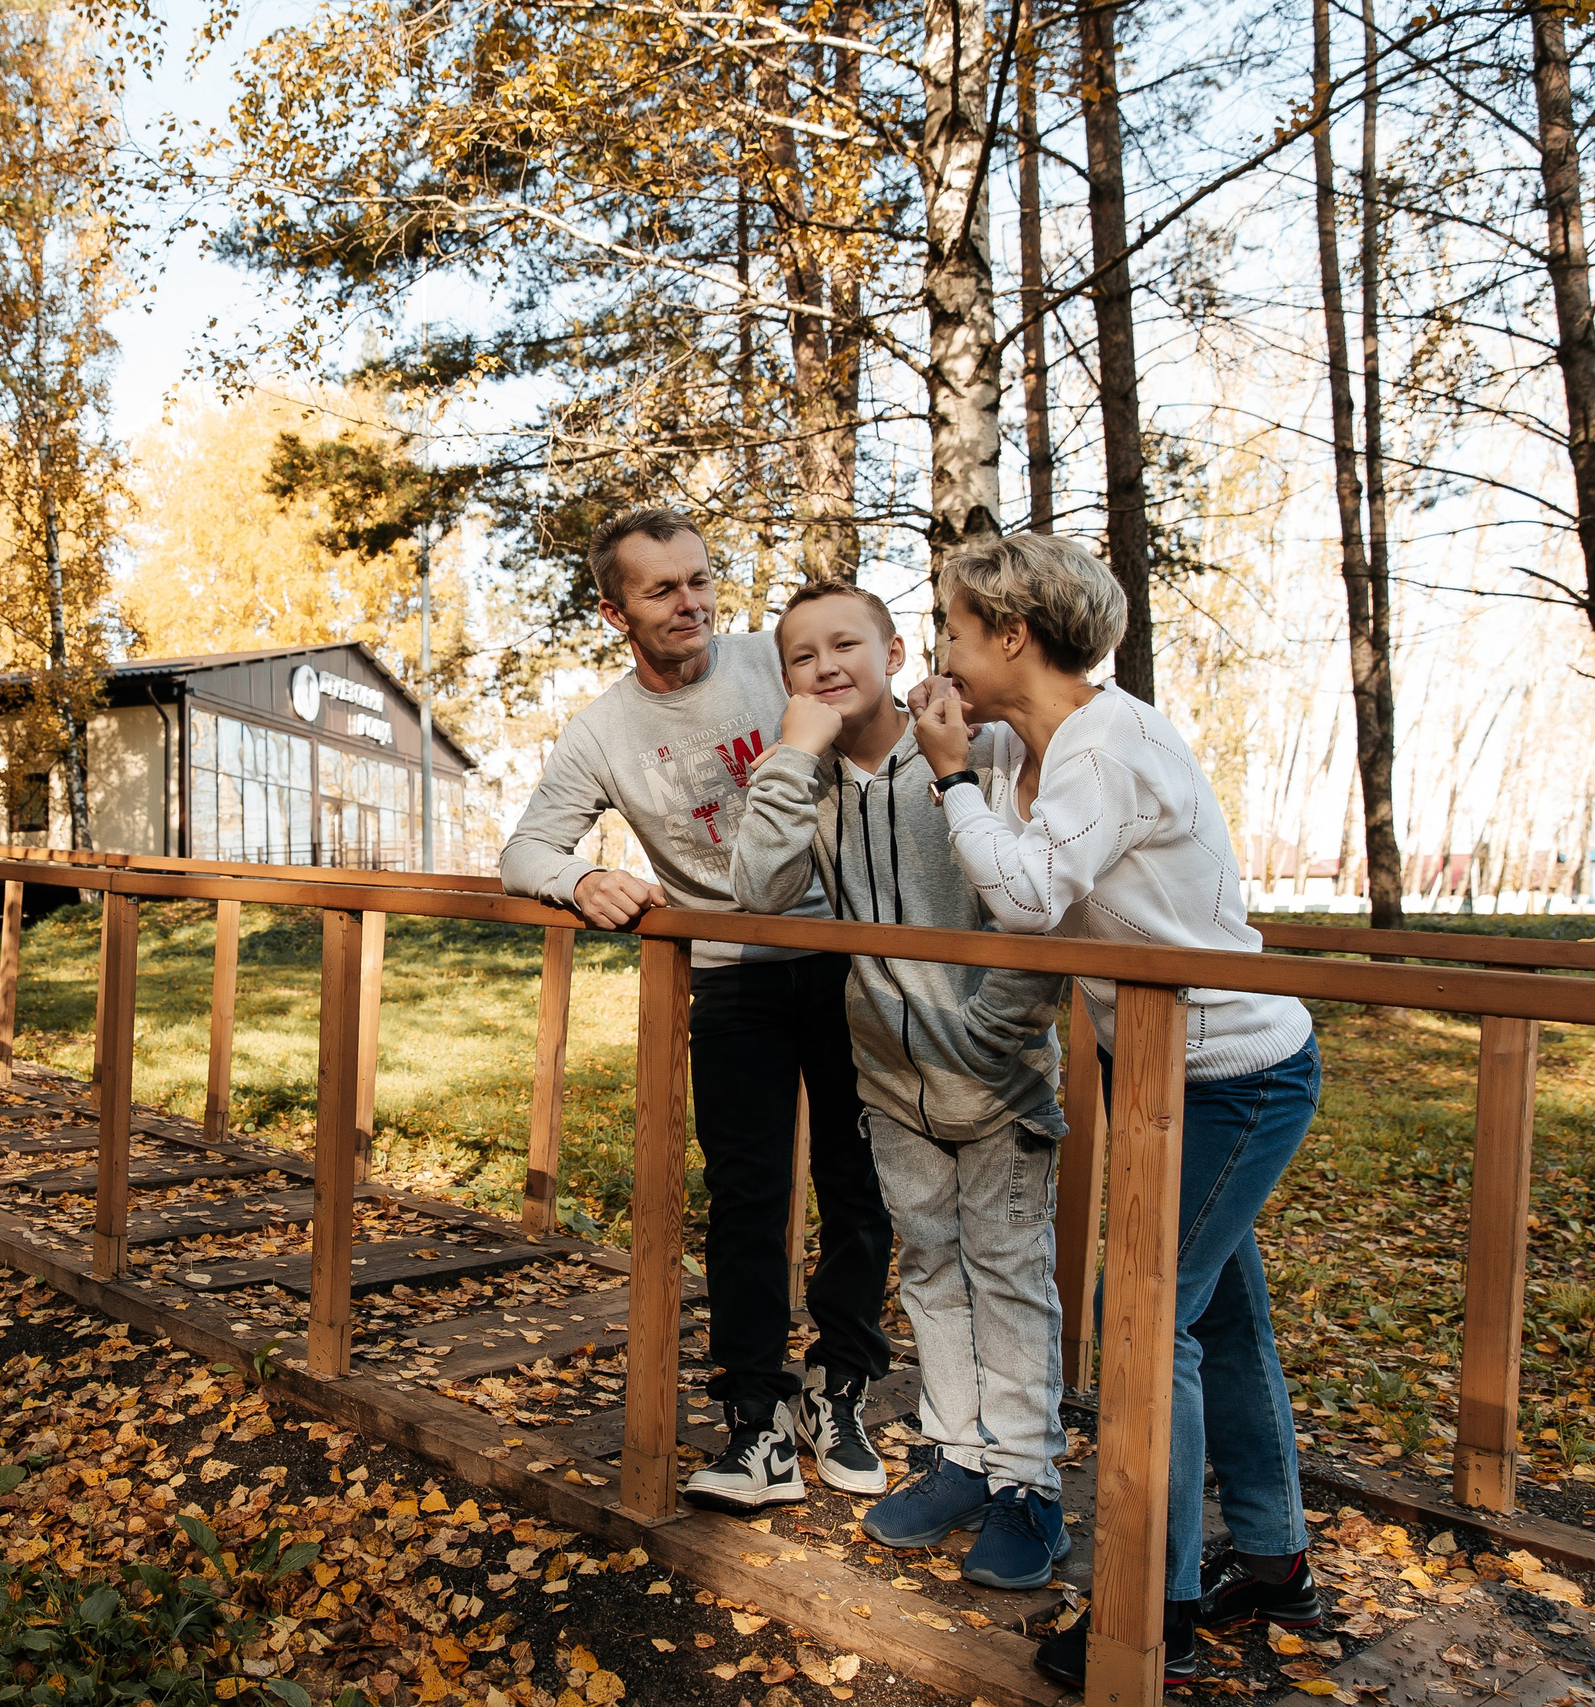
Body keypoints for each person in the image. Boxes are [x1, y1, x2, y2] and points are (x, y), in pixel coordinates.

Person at [907, 533, 1325, 1685]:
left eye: (951, 629)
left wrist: (947, 776)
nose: (942, 649)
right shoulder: (1021, 744)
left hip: (1234, 1074)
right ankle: (1276, 1561)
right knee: (1217, 1323)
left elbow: (1031, 896)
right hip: (1150, 1070)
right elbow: (956, 774)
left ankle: (1157, 1608)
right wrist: (938, 741)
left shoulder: (1111, 743)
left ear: (1010, 635)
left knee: (1146, 1325)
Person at [500, 507, 894, 1511]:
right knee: (748, 1200)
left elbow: (886, 723)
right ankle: (755, 1421)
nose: (692, 603)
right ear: (613, 611)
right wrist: (578, 881)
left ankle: (837, 1391)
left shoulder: (776, 660)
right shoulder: (605, 730)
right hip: (727, 973)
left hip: (845, 953)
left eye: (701, 580)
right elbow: (525, 850)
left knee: (859, 1187)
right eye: (662, 589)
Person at [728, 577, 1075, 1590]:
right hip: (889, 1082)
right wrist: (792, 750)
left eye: (848, 645)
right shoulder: (810, 772)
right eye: (803, 655)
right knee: (925, 1271)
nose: (828, 666)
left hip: (997, 1079)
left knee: (1009, 1280)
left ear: (892, 650)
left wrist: (984, 1036)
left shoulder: (981, 748)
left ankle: (1028, 1484)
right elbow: (756, 891)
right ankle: (958, 1457)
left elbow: (1035, 909)